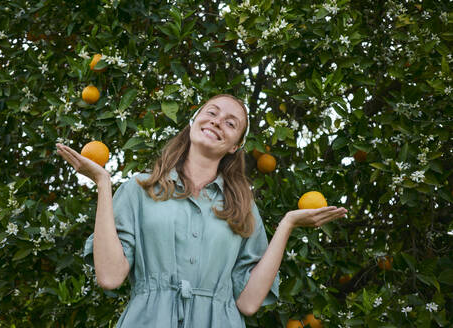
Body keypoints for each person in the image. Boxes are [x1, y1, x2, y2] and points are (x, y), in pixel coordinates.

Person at [56, 94, 347, 327]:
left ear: (235, 147)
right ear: (194, 121)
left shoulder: (242, 207)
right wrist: (103, 183)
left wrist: (287, 224)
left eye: (231, 123)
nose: (218, 121)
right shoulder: (139, 189)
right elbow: (110, 277)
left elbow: (247, 303)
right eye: (211, 112)